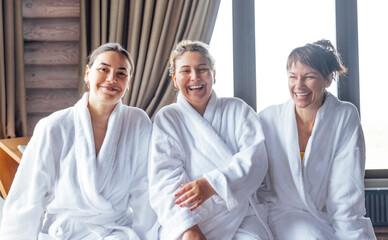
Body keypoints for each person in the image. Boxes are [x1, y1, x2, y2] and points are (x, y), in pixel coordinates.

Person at [0, 43, 158, 239]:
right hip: (64, 232)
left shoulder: (138, 123)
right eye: (103, 69)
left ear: (128, 82)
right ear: (87, 73)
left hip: (114, 231)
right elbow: (28, 197)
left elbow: (144, 190)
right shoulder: (54, 127)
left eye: (121, 73)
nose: (112, 79)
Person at [149, 40, 272, 240]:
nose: (195, 77)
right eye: (185, 71)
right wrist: (189, 227)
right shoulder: (169, 117)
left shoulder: (238, 109)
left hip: (239, 213)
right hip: (189, 216)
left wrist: (212, 184)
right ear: (174, 78)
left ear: (214, 75)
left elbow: (255, 159)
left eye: (202, 69)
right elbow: (164, 178)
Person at [257, 39, 376, 239]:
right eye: (292, 77)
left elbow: (347, 187)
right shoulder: (268, 119)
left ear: (328, 79)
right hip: (282, 214)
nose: (298, 85)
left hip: (327, 215)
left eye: (309, 77)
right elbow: (250, 175)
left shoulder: (344, 116)